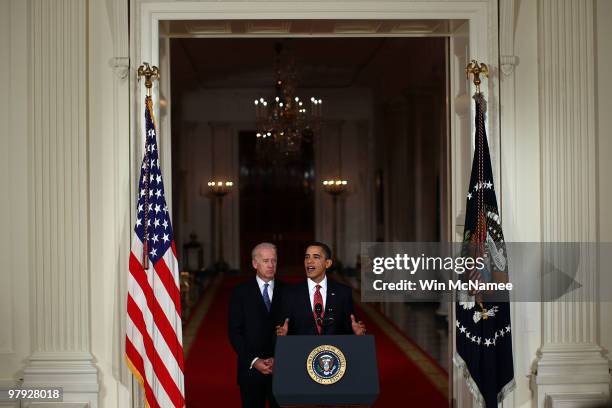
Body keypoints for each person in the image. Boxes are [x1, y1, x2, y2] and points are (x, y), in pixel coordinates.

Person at [228, 242, 285, 408]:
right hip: (250, 369)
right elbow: (235, 332)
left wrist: (279, 358)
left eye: (274, 261)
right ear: (255, 264)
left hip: (281, 369)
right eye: (266, 261)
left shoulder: (288, 291)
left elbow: (294, 329)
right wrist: (254, 360)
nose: (271, 265)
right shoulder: (240, 293)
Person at [276, 242, 365, 336]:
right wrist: (282, 335)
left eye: (316, 257)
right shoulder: (290, 293)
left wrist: (357, 333)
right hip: (301, 349)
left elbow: (349, 329)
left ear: (327, 263)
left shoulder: (343, 293)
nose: (309, 261)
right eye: (307, 257)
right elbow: (281, 328)